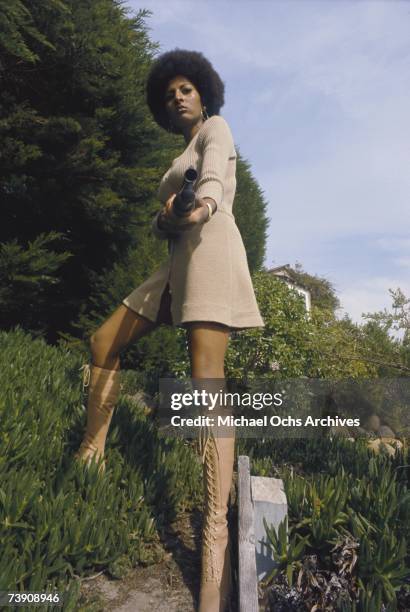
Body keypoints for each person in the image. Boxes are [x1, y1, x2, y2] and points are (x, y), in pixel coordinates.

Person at [75, 48, 264, 612]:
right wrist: (168, 217)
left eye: (186, 88)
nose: (177, 96)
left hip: (210, 248)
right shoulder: (179, 149)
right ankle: (92, 453)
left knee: (207, 380)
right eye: (168, 93)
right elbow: (169, 212)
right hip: (178, 258)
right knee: (103, 341)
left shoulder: (217, 129)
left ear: (204, 92)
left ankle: (214, 548)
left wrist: (201, 206)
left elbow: (210, 184)